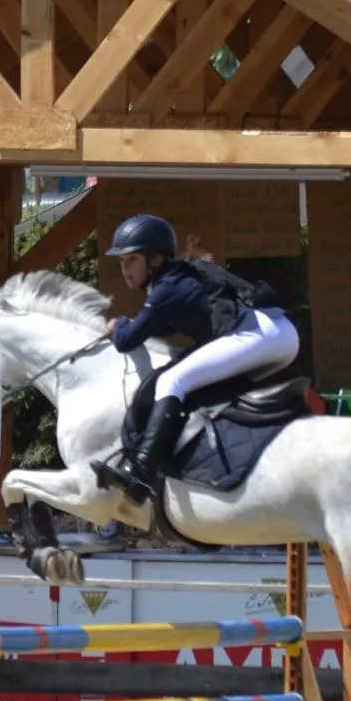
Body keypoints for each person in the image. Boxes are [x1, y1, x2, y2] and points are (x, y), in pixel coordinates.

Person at [91, 214, 301, 505]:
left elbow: (127, 340)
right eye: (122, 262)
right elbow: (160, 326)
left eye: (131, 260)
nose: (124, 269)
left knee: (172, 380)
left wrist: (118, 325)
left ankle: (140, 475)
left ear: (154, 259)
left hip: (261, 334)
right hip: (279, 332)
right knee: (195, 378)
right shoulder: (178, 278)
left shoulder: (167, 289)